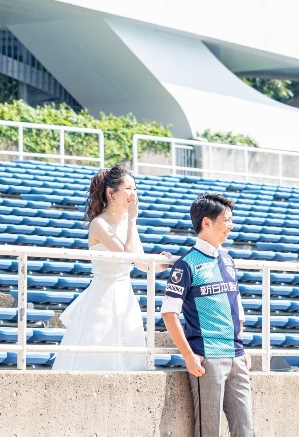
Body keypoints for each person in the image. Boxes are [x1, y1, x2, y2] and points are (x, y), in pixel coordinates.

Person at [52, 164, 171, 371]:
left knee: (129, 355)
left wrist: (162, 263)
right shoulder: (99, 224)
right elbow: (126, 255)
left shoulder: (128, 222)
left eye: (135, 189)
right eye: (128, 189)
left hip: (125, 295)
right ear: (111, 193)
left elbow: (141, 262)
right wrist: (133, 220)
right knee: (97, 354)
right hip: (102, 296)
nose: (133, 194)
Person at [162, 193, 255, 437]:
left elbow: (237, 305)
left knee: (246, 431)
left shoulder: (228, 259)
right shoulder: (186, 264)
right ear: (206, 222)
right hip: (208, 359)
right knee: (208, 432)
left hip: (236, 357)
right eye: (226, 220)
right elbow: (169, 313)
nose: (231, 225)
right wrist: (189, 356)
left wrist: (242, 348)